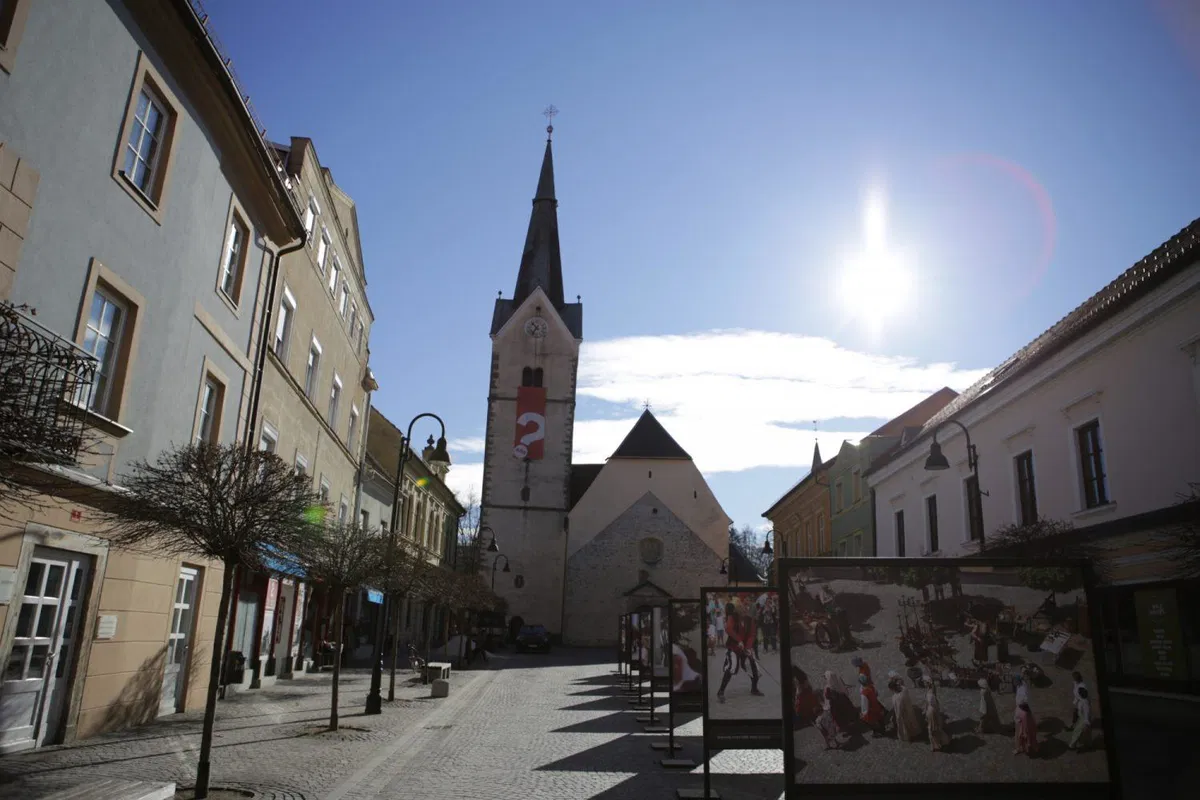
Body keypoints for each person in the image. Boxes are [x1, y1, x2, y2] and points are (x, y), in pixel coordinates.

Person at [717, 601, 763, 703]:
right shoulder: (732, 617)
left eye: (746, 607)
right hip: (733, 647)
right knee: (731, 667)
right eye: (742, 607)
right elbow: (729, 629)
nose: (745, 608)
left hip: (745, 649)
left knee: (754, 667)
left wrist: (748, 647)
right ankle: (721, 691)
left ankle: (754, 689)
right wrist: (739, 640)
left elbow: (752, 634)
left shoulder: (749, 620)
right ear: (738, 609)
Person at [922, 677, 951, 752]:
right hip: (934, 715)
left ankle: (939, 745)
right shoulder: (930, 691)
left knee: (934, 732)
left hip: (933, 719)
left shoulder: (930, 696)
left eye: (925, 682)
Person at [1068, 686, 1093, 751]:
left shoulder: (1085, 703)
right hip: (1083, 717)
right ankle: (1089, 744)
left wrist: (1086, 723)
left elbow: (1086, 713)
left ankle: (1072, 745)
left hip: (1084, 719)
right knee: (1087, 733)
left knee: (1077, 731)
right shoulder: (1086, 698)